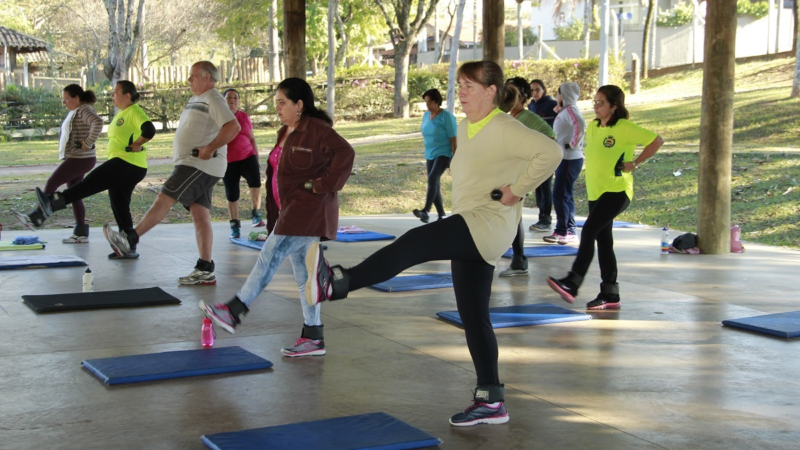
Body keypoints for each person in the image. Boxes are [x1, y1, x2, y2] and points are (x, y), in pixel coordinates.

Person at [304, 61, 561, 426]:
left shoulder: (504, 126)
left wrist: (517, 189)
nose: (462, 92)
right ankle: (491, 399)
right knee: (474, 317)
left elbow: (550, 152)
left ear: (491, 92)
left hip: (485, 223)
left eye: (469, 86)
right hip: (474, 222)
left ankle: (339, 282)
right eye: (459, 85)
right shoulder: (471, 125)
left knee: (413, 242)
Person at [200, 78, 354, 357]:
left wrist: (322, 184)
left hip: (306, 212)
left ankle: (235, 310)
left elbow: (346, 153)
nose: (277, 108)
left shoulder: (317, 130)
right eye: (276, 103)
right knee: (305, 277)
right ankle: (313, 336)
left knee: (269, 256)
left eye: (282, 102)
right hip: (289, 211)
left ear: (299, 104)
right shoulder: (287, 131)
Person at [102, 61, 240, 284]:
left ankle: (130, 239)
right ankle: (205, 269)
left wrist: (209, 149)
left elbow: (233, 127)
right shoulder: (199, 98)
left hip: (198, 164)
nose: (189, 79)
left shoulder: (214, 97)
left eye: (193, 75)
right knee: (200, 214)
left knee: (164, 198)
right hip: (192, 163)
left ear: (207, 77)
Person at [547, 85, 664, 310]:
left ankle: (573, 281)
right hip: (596, 193)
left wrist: (636, 163)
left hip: (617, 191)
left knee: (589, 231)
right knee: (604, 241)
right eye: (595, 102)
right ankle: (610, 294)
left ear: (614, 106)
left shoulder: (624, 127)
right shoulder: (592, 127)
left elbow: (657, 140)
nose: (596, 106)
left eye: (601, 103)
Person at [18, 81, 155, 259]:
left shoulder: (135, 111)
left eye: (116, 92)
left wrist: (137, 144)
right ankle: (127, 245)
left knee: (89, 183)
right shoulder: (123, 113)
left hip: (127, 163)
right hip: (129, 166)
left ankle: (53, 202)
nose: (113, 95)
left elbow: (149, 129)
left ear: (127, 95)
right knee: (119, 206)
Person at [498, 78, 555, 277]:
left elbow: (550, 139)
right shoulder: (507, 118)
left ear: (521, 97)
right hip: (509, 174)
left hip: (519, 176)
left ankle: (519, 259)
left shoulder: (528, 118)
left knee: (514, 215)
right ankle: (517, 258)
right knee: (511, 215)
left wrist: (529, 163)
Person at [50, 85, 104, 243]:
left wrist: (87, 142)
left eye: (66, 99)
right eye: (63, 99)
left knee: (51, 184)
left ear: (76, 98)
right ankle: (80, 233)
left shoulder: (83, 110)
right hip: (76, 158)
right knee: (74, 194)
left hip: (80, 158)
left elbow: (98, 123)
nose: (64, 102)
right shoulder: (76, 111)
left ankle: (37, 216)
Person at [544, 82, 586, 246]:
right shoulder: (565, 111)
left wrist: (574, 144)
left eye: (559, 93)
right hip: (564, 158)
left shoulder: (570, 110)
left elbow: (581, 124)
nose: (557, 96)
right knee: (563, 194)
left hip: (570, 158)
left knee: (561, 195)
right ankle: (565, 229)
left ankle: (567, 231)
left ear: (565, 94)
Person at [222, 88, 264, 238]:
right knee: (232, 195)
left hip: (248, 156)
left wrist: (257, 157)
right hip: (228, 161)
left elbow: (252, 138)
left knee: (255, 182)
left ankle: (256, 214)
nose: (232, 100)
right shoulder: (218, 118)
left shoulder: (244, 117)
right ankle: (235, 227)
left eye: (235, 98)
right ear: (223, 100)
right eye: (229, 98)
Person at [413, 88, 457, 223]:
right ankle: (442, 215)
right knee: (434, 182)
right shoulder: (426, 116)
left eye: (428, 102)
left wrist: (455, 158)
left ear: (436, 102)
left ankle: (425, 211)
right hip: (430, 153)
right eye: (425, 102)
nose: (426, 105)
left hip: (444, 153)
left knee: (433, 178)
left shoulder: (446, 117)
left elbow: (453, 139)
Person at [527, 79, 559, 232]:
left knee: (545, 185)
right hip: (534, 151)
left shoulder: (551, 105)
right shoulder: (531, 106)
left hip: (548, 151)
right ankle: (541, 217)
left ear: (544, 90)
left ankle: (546, 218)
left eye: (537, 89)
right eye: (532, 90)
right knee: (538, 185)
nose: (535, 93)